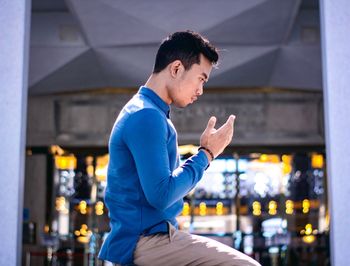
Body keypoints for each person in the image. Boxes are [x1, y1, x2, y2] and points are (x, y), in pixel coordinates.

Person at [98, 31, 261, 266]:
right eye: (201, 79)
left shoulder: (146, 113)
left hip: (149, 240)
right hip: (147, 243)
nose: (200, 90)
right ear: (176, 69)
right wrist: (207, 154)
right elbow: (161, 195)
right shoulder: (147, 116)